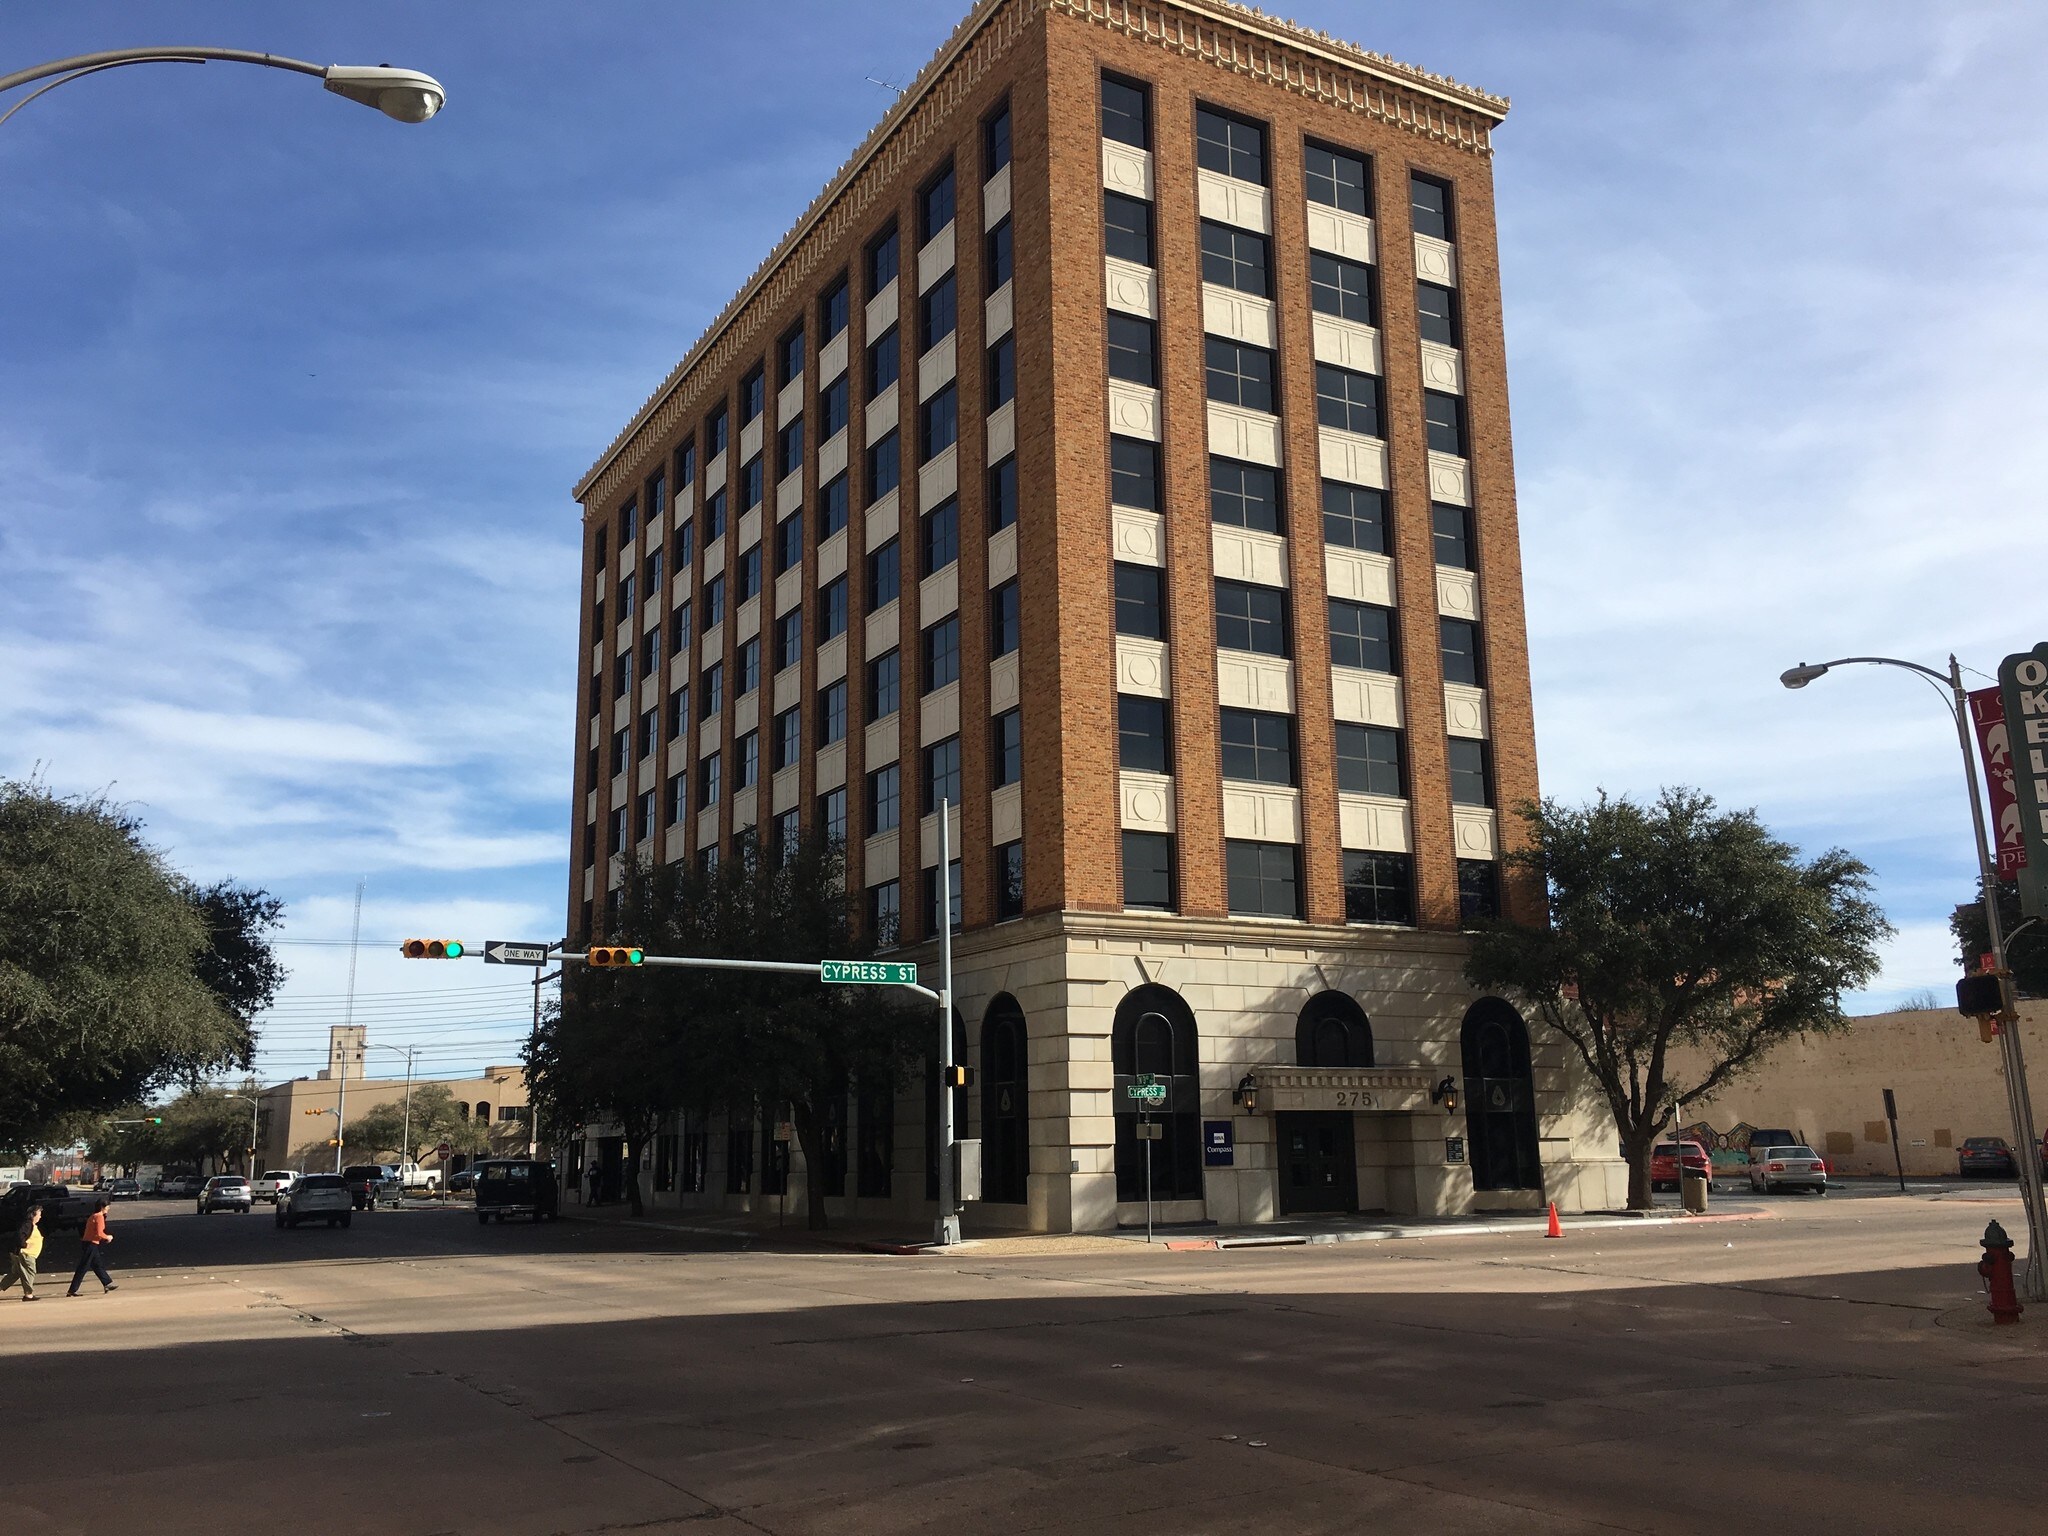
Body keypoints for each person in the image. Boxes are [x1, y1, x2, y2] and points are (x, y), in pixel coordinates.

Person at [68, 1198, 117, 1297]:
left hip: (89, 1243)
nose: (108, 1208)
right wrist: (108, 1237)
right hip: (91, 1243)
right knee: (83, 1267)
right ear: (102, 1207)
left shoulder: (94, 1215)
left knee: (97, 1265)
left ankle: (107, 1283)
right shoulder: (99, 1216)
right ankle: (72, 1290)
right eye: (107, 1206)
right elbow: (99, 1233)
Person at [1, 1204, 41, 1301]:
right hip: (25, 1254)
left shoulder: (31, 1225)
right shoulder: (28, 1224)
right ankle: (28, 1294)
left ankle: (1, 1287)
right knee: (30, 1272)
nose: (40, 1217)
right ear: (33, 1215)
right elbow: (20, 1235)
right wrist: (24, 1245)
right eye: (39, 1214)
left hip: (25, 1253)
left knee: (15, 1274)